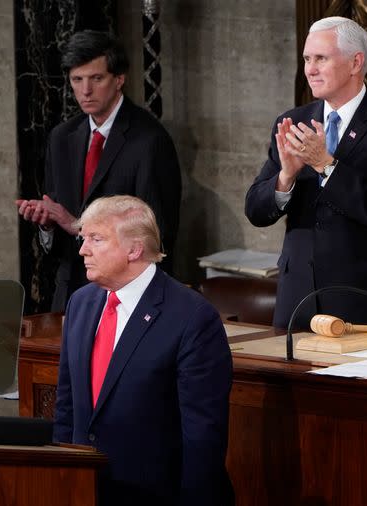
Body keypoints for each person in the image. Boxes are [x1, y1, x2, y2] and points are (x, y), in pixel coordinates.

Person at [245, 16, 367, 329]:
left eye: (321, 59)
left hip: (363, 302)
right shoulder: (292, 121)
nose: (310, 70)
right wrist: (285, 177)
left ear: (356, 62)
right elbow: (256, 211)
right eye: (306, 59)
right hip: (298, 301)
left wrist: (325, 164)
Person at [53, 195, 233, 506]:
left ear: (134, 249)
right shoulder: (81, 303)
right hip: (85, 489)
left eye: (96, 239)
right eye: (84, 238)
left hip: (156, 494)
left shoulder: (192, 317)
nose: (83, 249)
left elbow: (203, 436)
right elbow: (66, 407)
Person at [16, 30, 181, 312]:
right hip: (70, 297)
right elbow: (58, 243)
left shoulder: (150, 140)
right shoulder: (61, 137)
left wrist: (78, 226)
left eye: (96, 78)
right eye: (77, 80)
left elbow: (157, 237)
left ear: (119, 79)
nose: (85, 90)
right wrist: (47, 225)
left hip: (125, 298)